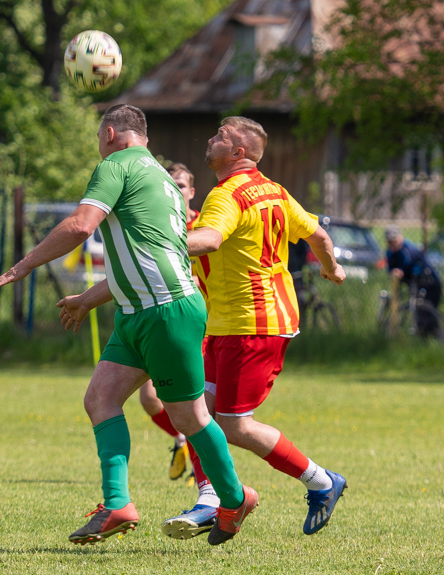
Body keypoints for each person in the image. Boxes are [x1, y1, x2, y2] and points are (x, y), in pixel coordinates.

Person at [0, 105, 258, 545]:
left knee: (188, 416)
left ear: (110, 134)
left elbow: (80, 226)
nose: (100, 146)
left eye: (99, 138)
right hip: (137, 312)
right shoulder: (161, 178)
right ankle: (117, 505)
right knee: (100, 398)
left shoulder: (116, 165)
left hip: (166, 310)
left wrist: (25, 265)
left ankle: (234, 497)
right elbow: (144, 258)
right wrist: (87, 300)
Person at [161, 116, 348, 540]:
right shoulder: (275, 191)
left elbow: (207, 240)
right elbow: (317, 234)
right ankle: (214, 498)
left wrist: (153, 245)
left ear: (238, 153)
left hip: (254, 325)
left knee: (233, 424)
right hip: (232, 325)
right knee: (191, 410)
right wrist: (332, 268)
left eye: (220, 137)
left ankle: (321, 481)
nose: (211, 139)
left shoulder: (227, 195)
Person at [138, 162, 200, 482]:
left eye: (182, 185)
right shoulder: (157, 224)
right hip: (160, 319)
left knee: (198, 406)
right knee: (149, 398)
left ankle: (205, 473)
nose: (176, 189)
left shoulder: (204, 226)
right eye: (171, 184)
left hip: (196, 323)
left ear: (192, 191)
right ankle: (182, 440)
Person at [384, 227, 443, 311]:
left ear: (400, 238)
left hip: (429, 282)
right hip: (413, 282)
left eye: (394, 240)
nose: (392, 244)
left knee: (427, 312)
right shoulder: (390, 252)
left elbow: (408, 263)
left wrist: (401, 271)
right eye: (389, 241)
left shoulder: (409, 250)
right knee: (418, 312)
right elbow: (390, 267)